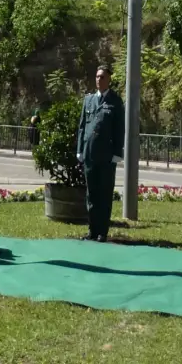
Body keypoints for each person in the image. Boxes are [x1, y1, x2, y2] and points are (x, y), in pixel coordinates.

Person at [76, 65, 125, 242]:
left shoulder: (115, 101)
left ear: (109, 79)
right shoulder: (88, 100)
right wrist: (79, 150)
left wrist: (117, 152)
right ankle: (92, 229)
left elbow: (120, 128)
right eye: (97, 77)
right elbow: (82, 127)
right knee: (92, 193)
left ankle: (102, 232)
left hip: (106, 155)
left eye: (102, 77)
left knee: (104, 193)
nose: (99, 80)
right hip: (89, 153)